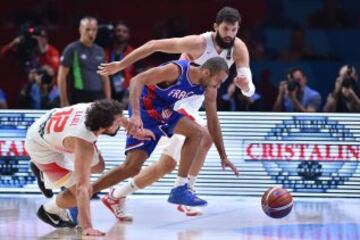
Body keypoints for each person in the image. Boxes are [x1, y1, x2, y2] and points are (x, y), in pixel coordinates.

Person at [97, 6, 252, 217]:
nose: (229, 34)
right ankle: (185, 189)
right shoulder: (198, 44)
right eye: (225, 29)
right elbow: (154, 45)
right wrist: (122, 65)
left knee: (167, 165)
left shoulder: (237, 50)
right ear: (215, 27)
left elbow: (248, 89)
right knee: (202, 136)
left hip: (190, 104)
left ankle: (117, 194)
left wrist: (245, 86)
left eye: (234, 30)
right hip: (173, 101)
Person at [25, 99, 154, 236]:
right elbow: (82, 188)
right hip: (40, 146)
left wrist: (135, 131)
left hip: (53, 127)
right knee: (80, 192)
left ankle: (44, 172)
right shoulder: (83, 144)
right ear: (106, 127)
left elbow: (118, 116)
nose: (120, 123)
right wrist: (87, 227)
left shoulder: (97, 109)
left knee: (99, 167)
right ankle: (49, 210)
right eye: (116, 124)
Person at [58, 16, 111, 106]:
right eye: (87, 29)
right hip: (78, 96)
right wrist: (63, 101)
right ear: (80, 30)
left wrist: (108, 100)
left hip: (98, 96)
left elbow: (105, 77)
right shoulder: (71, 49)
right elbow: (61, 77)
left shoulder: (100, 50)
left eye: (94, 30)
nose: (91, 33)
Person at [104, 21, 136, 106]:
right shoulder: (104, 52)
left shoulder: (134, 53)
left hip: (126, 94)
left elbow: (139, 72)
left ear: (128, 35)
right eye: (118, 30)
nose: (120, 34)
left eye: (124, 32)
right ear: (114, 33)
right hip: (108, 92)